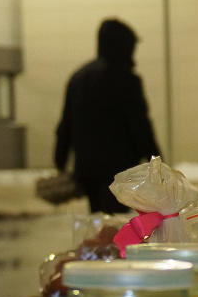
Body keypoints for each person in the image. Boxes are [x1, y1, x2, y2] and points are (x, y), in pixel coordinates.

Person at [54, 19, 162, 214]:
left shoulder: (78, 78)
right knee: (115, 222)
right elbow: (141, 126)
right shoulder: (127, 79)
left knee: (98, 216)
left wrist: (60, 161)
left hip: (86, 170)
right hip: (119, 171)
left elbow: (66, 124)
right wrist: (156, 162)